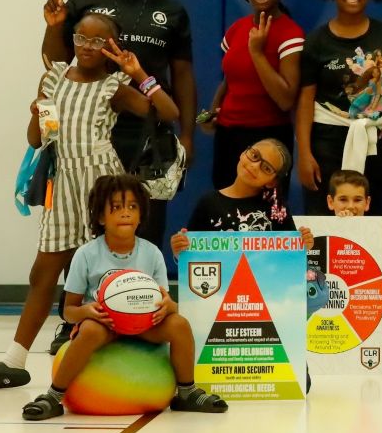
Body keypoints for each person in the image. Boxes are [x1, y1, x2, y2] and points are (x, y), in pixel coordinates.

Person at [0, 14, 178, 390]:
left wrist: (139, 73)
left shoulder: (114, 85)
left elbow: (169, 112)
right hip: (63, 180)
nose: (87, 47)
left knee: (110, 273)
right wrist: (35, 114)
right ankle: (14, 361)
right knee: (43, 272)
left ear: (111, 47)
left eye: (98, 41)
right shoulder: (53, 79)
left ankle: (123, 353)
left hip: (102, 185)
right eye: (81, 37)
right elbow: (37, 139)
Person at [41, 0, 197, 252]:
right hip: (91, 136)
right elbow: (56, 64)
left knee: (145, 230)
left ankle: (140, 285)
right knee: (87, 232)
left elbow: (183, 75)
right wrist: (54, 28)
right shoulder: (84, 2)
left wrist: (187, 136)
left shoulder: (171, 9)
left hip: (148, 134)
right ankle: (85, 287)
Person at [20, 175, 227, 420]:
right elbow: (69, 310)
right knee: (90, 330)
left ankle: (186, 392)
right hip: (105, 325)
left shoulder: (151, 253)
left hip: (143, 325)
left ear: (141, 215)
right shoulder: (86, 254)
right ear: (100, 217)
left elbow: (165, 301)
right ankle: (54, 396)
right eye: (116, 207)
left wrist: (169, 307)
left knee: (179, 324)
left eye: (132, 207)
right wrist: (87, 312)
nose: (125, 213)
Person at [295, 0, 382, 216]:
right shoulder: (316, 41)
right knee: (322, 215)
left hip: (375, 140)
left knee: (370, 214)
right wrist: (303, 153)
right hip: (325, 141)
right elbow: (305, 100)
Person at [201, 0, 304, 191]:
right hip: (228, 135)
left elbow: (286, 100)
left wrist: (257, 53)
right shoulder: (237, 28)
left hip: (267, 139)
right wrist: (206, 116)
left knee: (263, 209)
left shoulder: (291, 34)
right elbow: (229, 80)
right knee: (225, 203)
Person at [170, 140, 314, 246]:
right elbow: (191, 254)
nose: (254, 166)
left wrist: (302, 245)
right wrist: (180, 249)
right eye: (254, 156)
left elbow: (288, 258)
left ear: (272, 182)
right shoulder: (208, 203)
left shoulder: (276, 210)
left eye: (266, 168)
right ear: (243, 153)